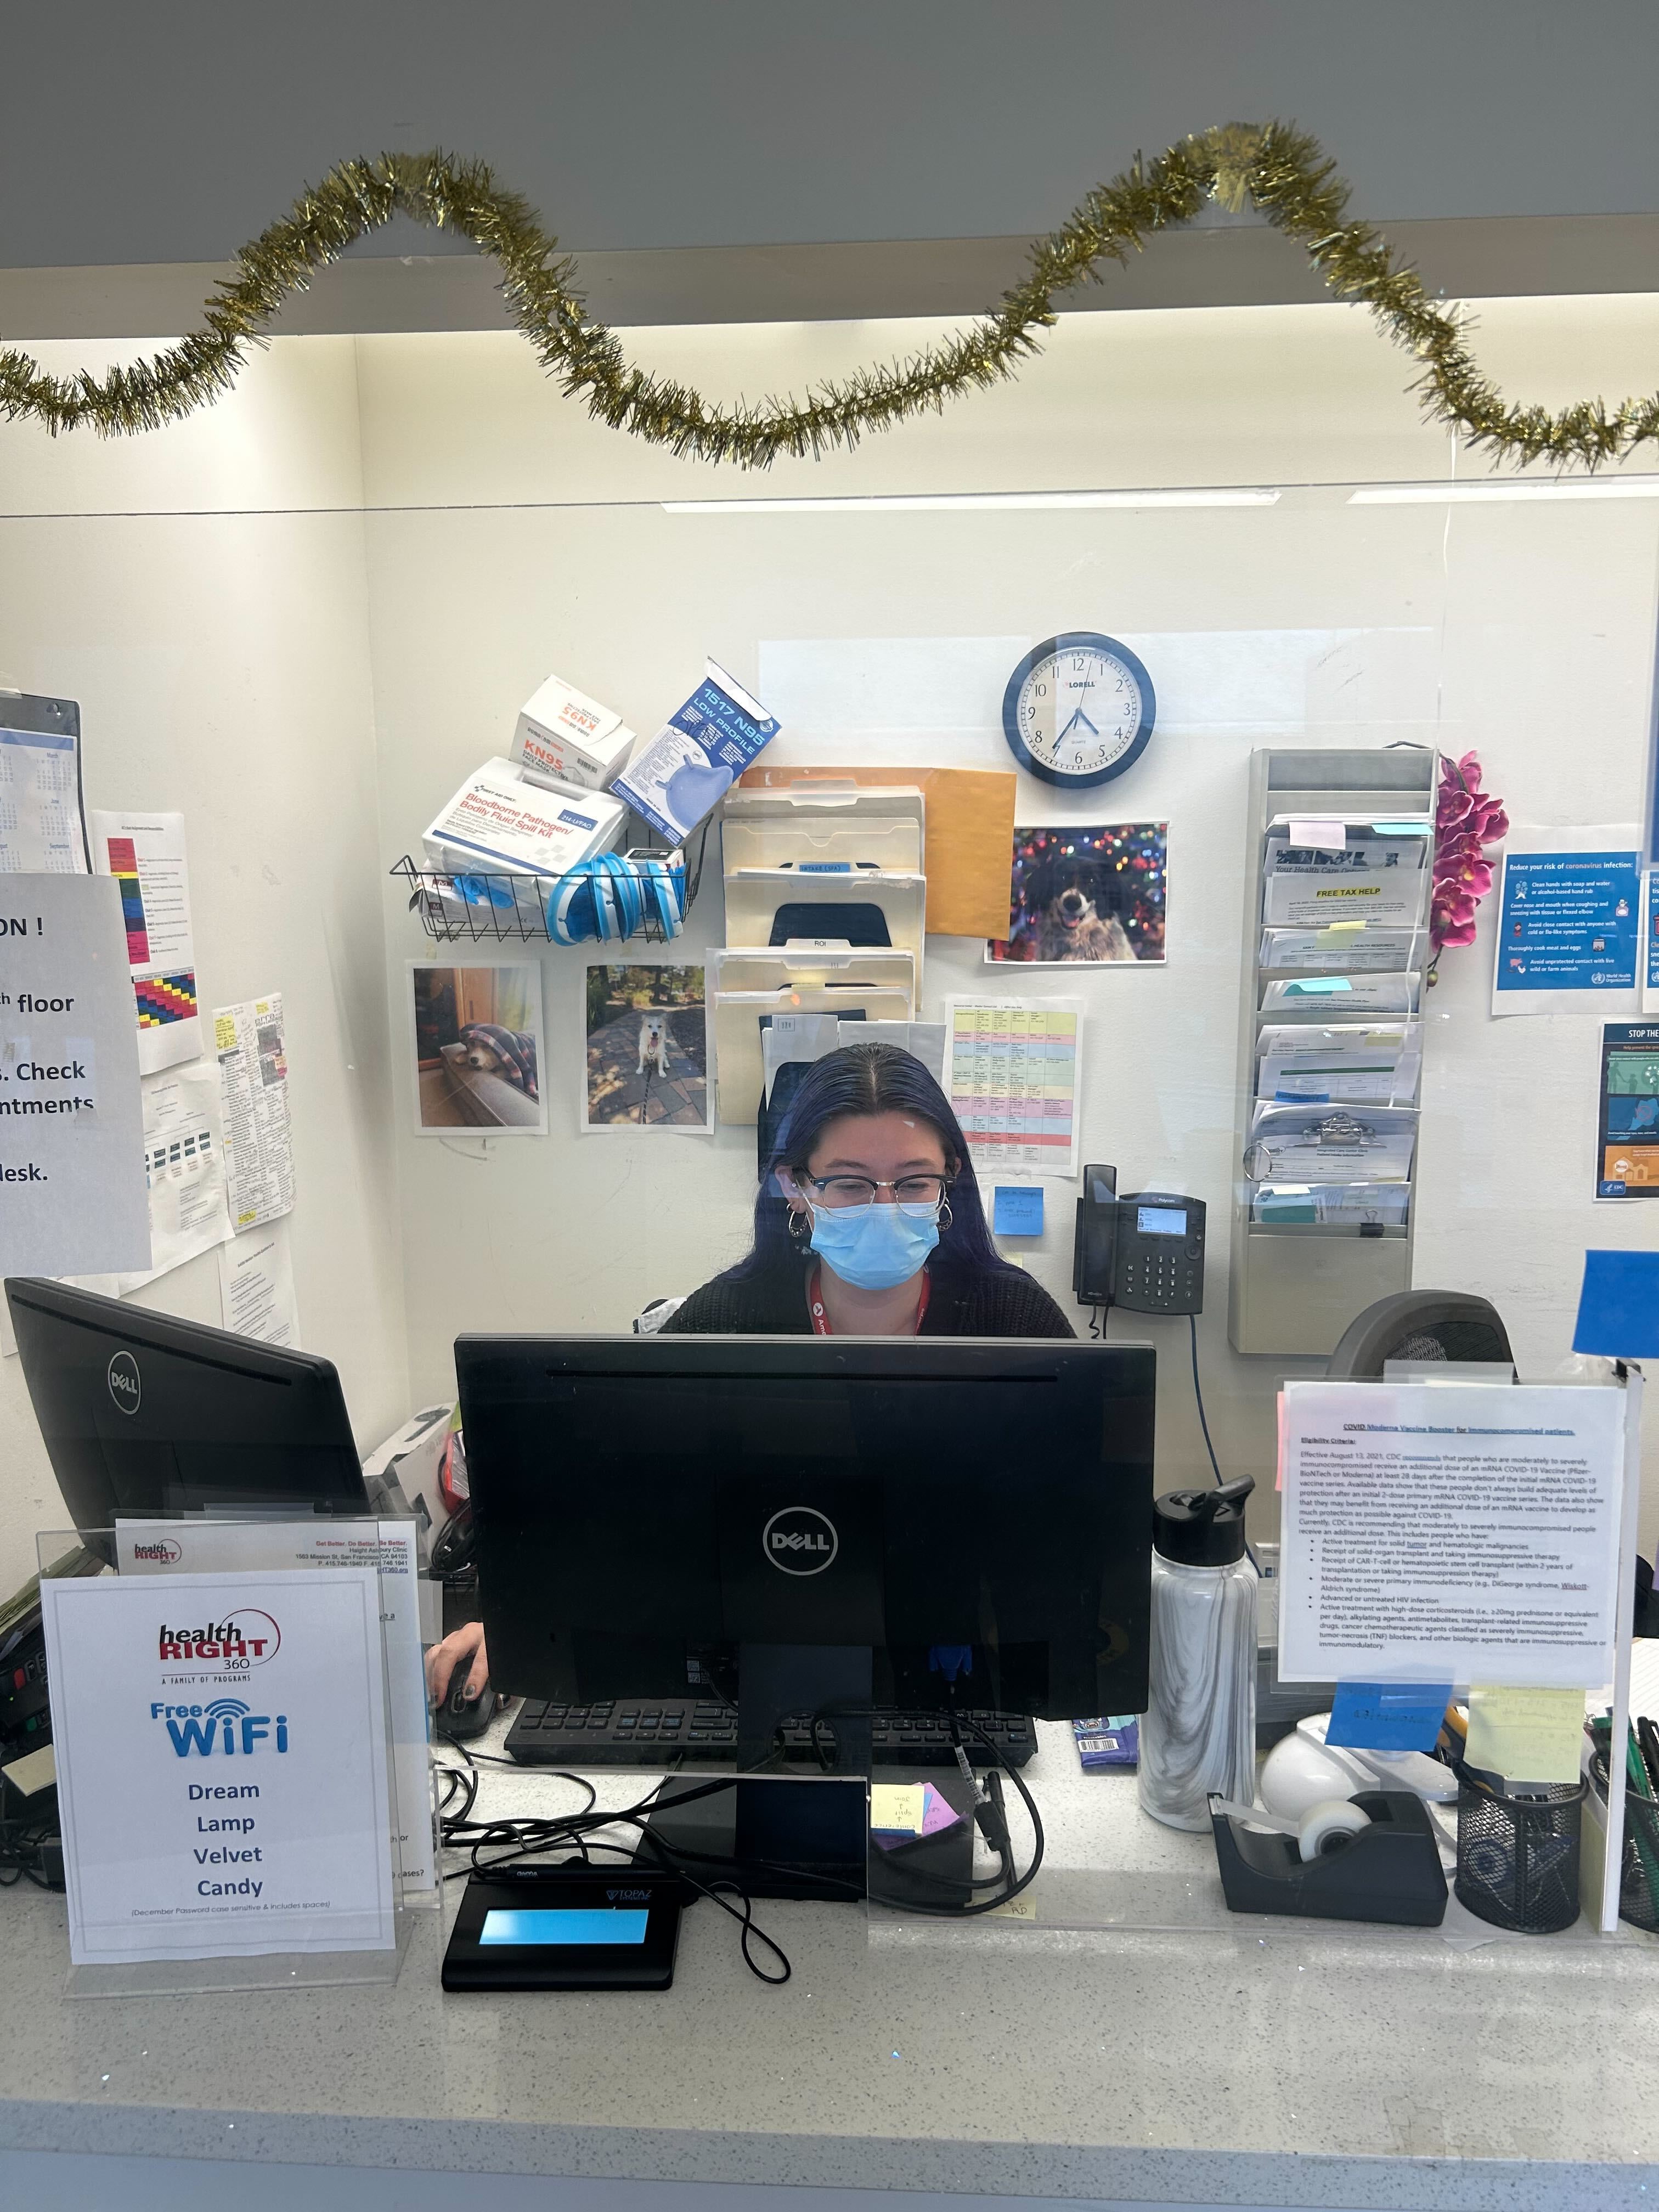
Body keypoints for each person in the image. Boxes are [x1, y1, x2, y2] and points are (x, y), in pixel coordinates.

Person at [426, 1043, 1073, 1703]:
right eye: (849, 1182)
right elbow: (621, 1508)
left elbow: (1077, 1528)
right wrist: (519, 1616)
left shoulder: (1014, 1319)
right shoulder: (724, 1320)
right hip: (750, 1688)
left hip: (964, 1682)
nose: (884, 1205)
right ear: (796, 1185)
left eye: (912, 1182)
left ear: (950, 1182)